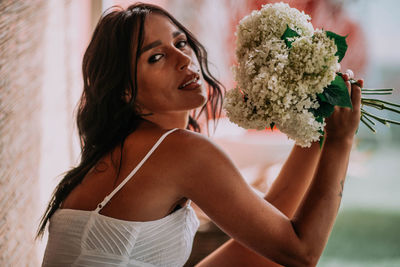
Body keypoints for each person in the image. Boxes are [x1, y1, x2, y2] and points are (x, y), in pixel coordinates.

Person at [36, 3, 363, 267]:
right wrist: (341, 141)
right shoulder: (178, 150)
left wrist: (318, 128)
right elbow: (302, 253)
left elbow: (267, 233)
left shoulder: (126, 150)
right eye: (157, 57)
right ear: (125, 91)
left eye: (179, 43)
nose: (183, 59)